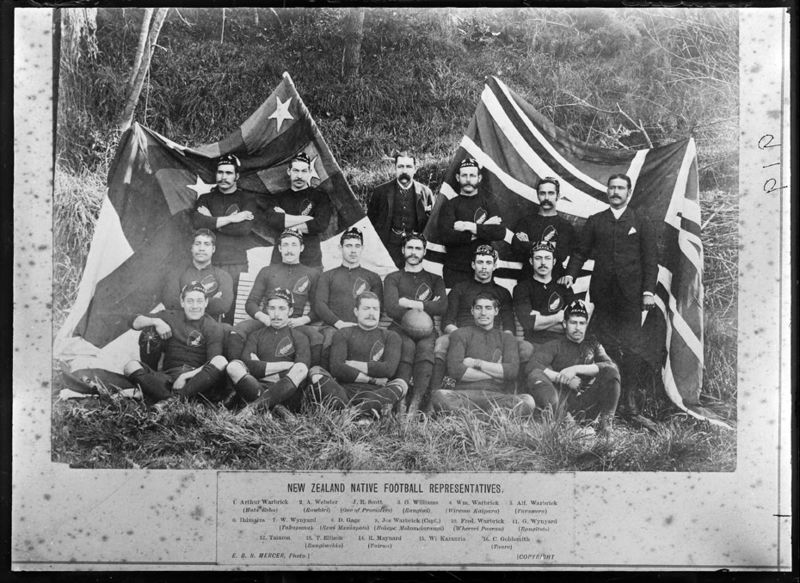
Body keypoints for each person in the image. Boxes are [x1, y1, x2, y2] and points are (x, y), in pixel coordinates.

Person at [564, 173, 658, 419]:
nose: (615, 192)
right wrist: (570, 275)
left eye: (620, 188)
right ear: (607, 191)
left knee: (633, 346)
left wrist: (648, 291)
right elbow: (580, 252)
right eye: (612, 188)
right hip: (603, 296)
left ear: (628, 192)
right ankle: (605, 399)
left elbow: (651, 260)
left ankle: (629, 401)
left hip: (631, 297)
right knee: (603, 346)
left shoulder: (641, 220)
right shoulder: (596, 221)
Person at [429, 245, 517, 396]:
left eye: (488, 263)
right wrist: (461, 337)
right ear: (473, 264)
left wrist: (505, 341)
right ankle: (433, 396)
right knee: (442, 343)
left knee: (523, 348)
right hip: (463, 335)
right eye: (480, 262)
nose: (484, 267)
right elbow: (447, 322)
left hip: (493, 336)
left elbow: (509, 326)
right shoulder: (460, 288)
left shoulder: (502, 292)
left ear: (495, 265)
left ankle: (510, 397)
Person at [123, 282, 227, 407]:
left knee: (220, 360)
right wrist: (156, 321)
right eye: (190, 301)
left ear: (206, 302)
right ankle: (173, 399)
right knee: (130, 365)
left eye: (199, 301)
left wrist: (185, 376)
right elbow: (133, 321)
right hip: (166, 377)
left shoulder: (213, 327)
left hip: (194, 380)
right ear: (182, 302)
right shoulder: (170, 316)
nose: (195, 306)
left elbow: (213, 362)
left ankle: (160, 397)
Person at [523, 300, 620, 435]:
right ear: (564, 324)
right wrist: (563, 379)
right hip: (563, 403)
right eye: (573, 323)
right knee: (535, 375)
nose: (578, 328)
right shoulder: (555, 345)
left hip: (587, 402)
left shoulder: (594, 345)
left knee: (612, 373)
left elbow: (611, 367)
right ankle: (565, 423)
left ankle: (606, 426)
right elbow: (533, 365)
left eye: (582, 323)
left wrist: (576, 369)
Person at [429, 293, 535, 416]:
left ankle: (472, 417)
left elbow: (511, 371)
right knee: (439, 396)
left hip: (498, 396)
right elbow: (456, 371)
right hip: (465, 395)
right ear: (472, 311)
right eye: (478, 308)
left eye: (488, 308)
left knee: (528, 401)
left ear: (496, 311)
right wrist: (496, 374)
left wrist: (476, 363)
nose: (483, 313)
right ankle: (492, 416)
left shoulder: (507, 338)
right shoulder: (460, 334)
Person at [308, 292, 408, 419]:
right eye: (366, 309)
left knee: (400, 385)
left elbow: (388, 370)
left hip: (375, 393)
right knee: (316, 373)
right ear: (356, 311)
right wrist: (373, 379)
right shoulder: (343, 333)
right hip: (343, 392)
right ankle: (362, 414)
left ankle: (347, 414)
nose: (371, 313)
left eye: (375, 309)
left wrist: (353, 364)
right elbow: (337, 368)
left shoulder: (391, 336)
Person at [229, 228, 322, 364]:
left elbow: (318, 309)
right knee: (237, 331)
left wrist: (302, 320)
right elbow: (251, 303)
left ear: (301, 248)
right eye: (285, 245)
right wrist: (265, 317)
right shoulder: (267, 271)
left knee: (316, 337)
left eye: (294, 245)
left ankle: (310, 379)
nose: (289, 250)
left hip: (293, 323)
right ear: (279, 248)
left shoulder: (312, 274)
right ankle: (236, 375)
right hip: (268, 320)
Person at [383, 232, 447, 415]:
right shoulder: (393, 278)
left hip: (427, 330)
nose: (413, 252)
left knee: (427, 349)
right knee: (407, 346)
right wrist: (427, 306)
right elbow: (392, 308)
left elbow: (441, 306)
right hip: (399, 327)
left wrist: (409, 302)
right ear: (403, 250)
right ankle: (401, 402)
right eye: (410, 247)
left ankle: (417, 403)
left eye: (418, 248)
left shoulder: (435, 279)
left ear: (424, 251)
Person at [190, 154, 258, 323]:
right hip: (209, 264)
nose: (223, 177)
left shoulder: (247, 199)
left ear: (237, 176)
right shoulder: (205, 198)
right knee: (206, 311)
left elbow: (243, 229)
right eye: (220, 172)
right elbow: (198, 222)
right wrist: (231, 219)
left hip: (236, 263)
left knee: (231, 314)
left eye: (228, 173)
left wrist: (212, 220)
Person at [225, 288, 309, 412]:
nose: (276, 314)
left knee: (301, 368)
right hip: (256, 387)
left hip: (286, 392)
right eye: (272, 308)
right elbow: (248, 364)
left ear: (290, 311)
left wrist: (262, 369)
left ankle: (253, 408)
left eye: (282, 309)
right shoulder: (256, 335)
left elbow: (302, 368)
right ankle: (275, 408)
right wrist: (287, 365)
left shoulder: (300, 337)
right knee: (233, 367)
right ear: (266, 310)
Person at [314, 227, 383, 366]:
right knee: (331, 338)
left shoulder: (373, 277)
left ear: (362, 248)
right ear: (341, 248)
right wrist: (340, 324)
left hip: (363, 327)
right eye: (348, 246)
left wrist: (362, 325)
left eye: (357, 246)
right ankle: (324, 381)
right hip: (333, 327)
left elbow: (377, 309)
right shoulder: (327, 276)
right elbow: (320, 305)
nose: (353, 250)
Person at [436, 158, 506, 288]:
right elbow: (446, 236)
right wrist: (484, 228)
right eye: (464, 175)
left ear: (479, 178)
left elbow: (500, 232)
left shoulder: (489, 203)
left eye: (472, 175)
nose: (468, 179)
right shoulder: (450, 205)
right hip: (455, 270)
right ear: (457, 177)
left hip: (483, 271)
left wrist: (468, 226)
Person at [263, 152, 332, 267]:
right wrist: (306, 218)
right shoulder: (277, 198)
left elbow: (320, 224)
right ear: (289, 171)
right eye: (296, 171)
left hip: (310, 260)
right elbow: (273, 220)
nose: (299, 176)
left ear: (310, 172)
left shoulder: (321, 197)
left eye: (304, 171)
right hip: (281, 260)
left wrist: (285, 221)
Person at [367, 152, 434, 268]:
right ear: (395, 168)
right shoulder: (380, 192)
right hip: (389, 247)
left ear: (415, 169)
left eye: (408, 167)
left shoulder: (426, 193)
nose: (404, 171)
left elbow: (432, 224)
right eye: (400, 166)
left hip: (414, 249)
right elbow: (370, 223)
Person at [511, 177, 576, 281]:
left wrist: (530, 243)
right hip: (527, 280)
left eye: (551, 193)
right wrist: (549, 245)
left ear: (558, 196)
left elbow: (561, 254)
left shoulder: (565, 225)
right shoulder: (525, 222)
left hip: (555, 280)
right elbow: (517, 249)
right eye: (542, 193)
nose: (546, 197)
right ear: (538, 196)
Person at [513, 241, 575, 349]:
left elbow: (573, 326)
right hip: (534, 344)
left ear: (554, 261)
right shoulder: (522, 288)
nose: (543, 263)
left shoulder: (564, 288)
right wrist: (559, 317)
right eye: (538, 258)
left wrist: (539, 318)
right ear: (531, 261)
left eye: (547, 258)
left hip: (562, 346)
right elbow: (528, 324)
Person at [161, 229, 233, 321]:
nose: (201, 248)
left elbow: (223, 305)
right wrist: (211, 300)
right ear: (191, 248)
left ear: (213, 249)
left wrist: (186, 300)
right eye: (197, 244)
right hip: (181, 328)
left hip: (211, 329)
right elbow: (171, 303)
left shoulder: (223, 276)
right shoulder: (176, 273)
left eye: (206, 244)